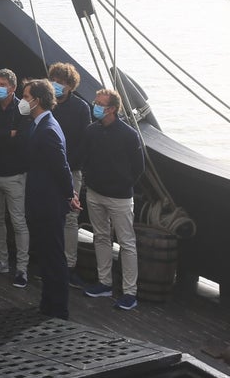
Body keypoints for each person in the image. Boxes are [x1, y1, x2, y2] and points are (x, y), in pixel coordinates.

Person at [82, 87, 145, 311]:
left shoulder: (129, 135)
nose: (95, 106)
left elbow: (139, 166)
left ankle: (130, 292)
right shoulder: (91, 131)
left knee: (127, 243)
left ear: (112, 109)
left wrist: (123, 183)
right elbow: (85, 157)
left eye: (100, 104)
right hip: (95, 192)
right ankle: (104, 282)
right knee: (100, 237)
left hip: (119, 197)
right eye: (95, 101)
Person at [21, 79, 79, 318]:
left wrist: (70, 194)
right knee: (46, 256)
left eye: (26, 96)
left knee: (54, 258)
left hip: (48, 204)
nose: (23, 101)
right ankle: (47, 304)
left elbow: (61, 166)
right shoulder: (39, 124)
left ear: (37, 100)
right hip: (40, 200)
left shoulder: (47, 130)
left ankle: (59, 310)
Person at [0, 68, 31, 288]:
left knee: (18, 222)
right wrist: (5, 133)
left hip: (15, 176)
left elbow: (20, 139)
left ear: (13, 87)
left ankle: (22, 269)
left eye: (3, 84)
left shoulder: (23, 108)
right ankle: (1, 262)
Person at [47, 61, 91, 287]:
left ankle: (69, 265)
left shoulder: (82, 108)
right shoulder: (47, 104)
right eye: (54, 81)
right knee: (49, 216)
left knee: (70, 218)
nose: (56, 85)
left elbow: (85, 143)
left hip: (71, 170)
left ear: (70, 86)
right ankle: (49, 263)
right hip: (47, 171)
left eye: (62, 82)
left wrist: (67, 164)